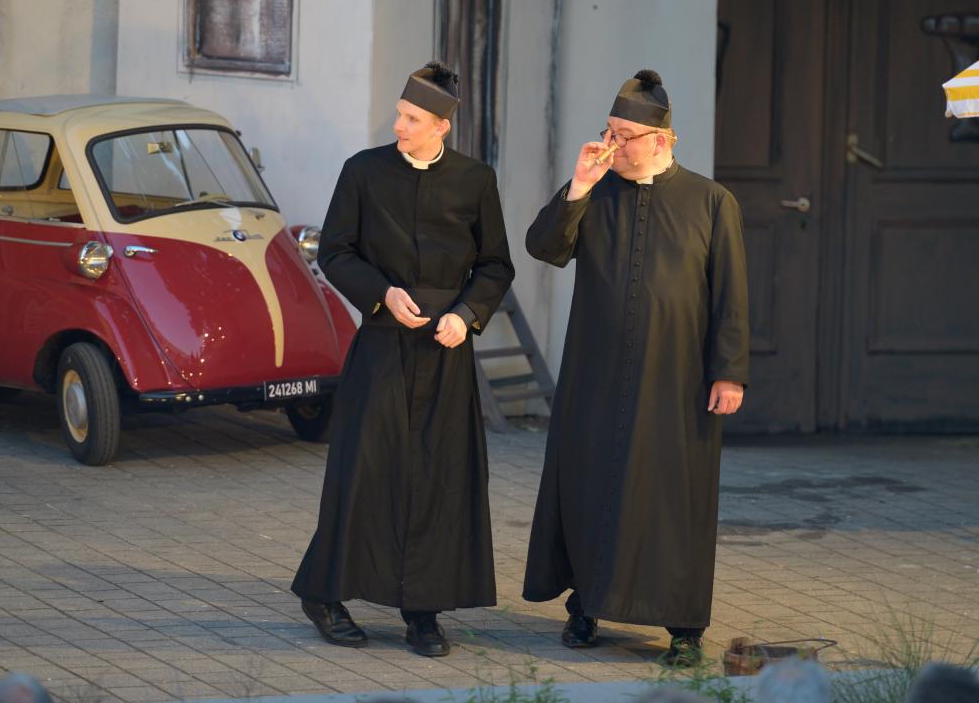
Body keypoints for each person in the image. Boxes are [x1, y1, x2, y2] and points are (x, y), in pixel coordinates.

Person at [522, 69, 749, 668]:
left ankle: (683, 627)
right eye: (610, 131)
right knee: (591, 483)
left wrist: (728, 372)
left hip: (678, 381)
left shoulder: (711, 201)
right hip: (596, 376)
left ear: (663, 140)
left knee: (675, 500)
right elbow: (543, 247)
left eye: (626, 135)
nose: (614, 144)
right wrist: (577, 184)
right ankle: (586, 607)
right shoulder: (594, 191)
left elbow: (730, 294)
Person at [291, 61, 515, 657]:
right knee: (362, 471)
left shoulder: (475, 180)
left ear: (441, 126)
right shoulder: (363, 172)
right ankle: (325, 593)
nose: (399, 126)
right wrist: (381, 293)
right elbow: (335, 251)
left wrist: (465, 317)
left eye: (412, 118)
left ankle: (423, 612)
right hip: (383, 346)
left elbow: (495, 265)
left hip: (446, 352)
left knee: (440, 478)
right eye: (399, 114)